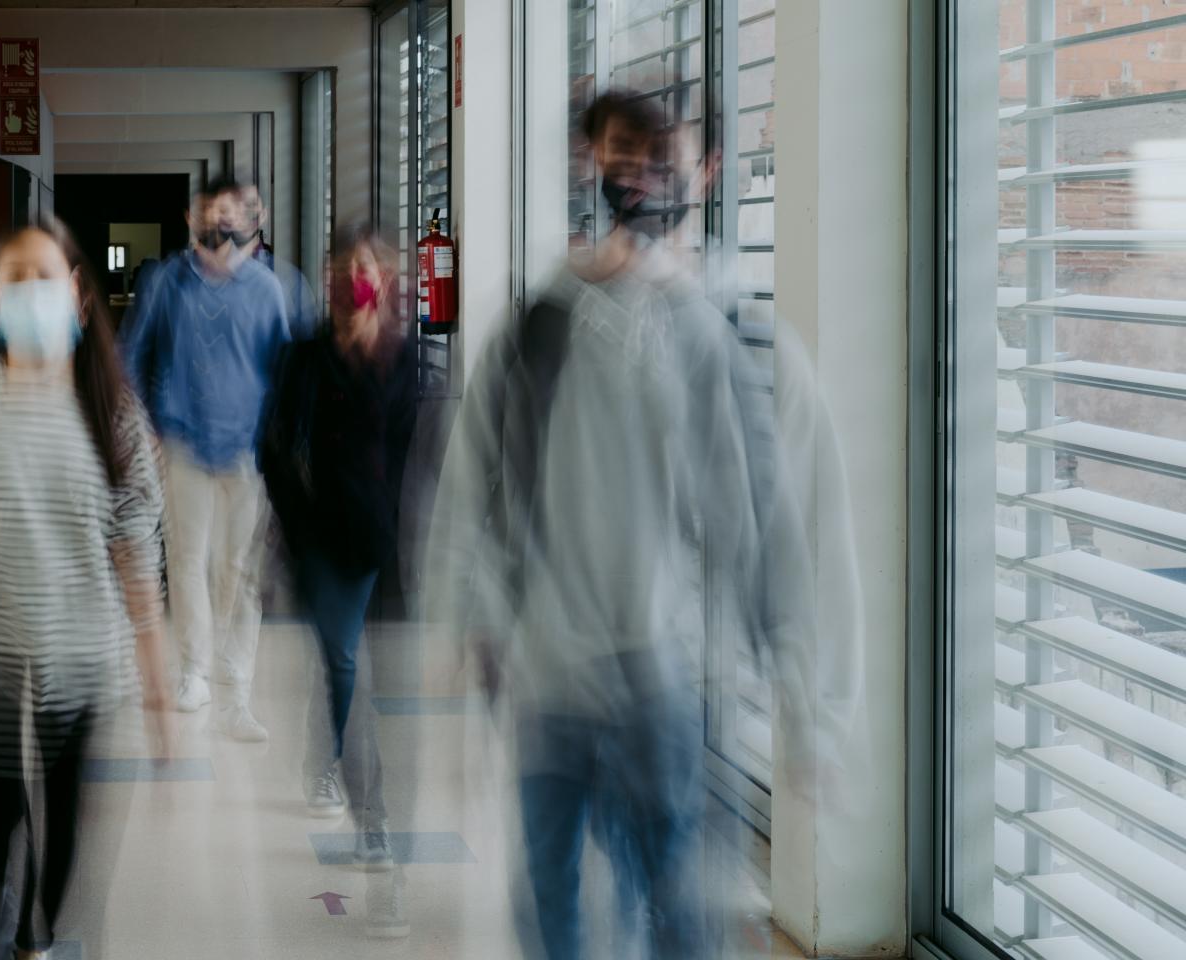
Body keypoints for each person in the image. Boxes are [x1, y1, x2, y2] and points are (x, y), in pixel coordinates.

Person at [423, 90, 813, 960]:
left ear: (692, 173)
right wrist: (465, 625)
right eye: (620, 150)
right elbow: (466, 490)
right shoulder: (532, 330)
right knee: (551, 896)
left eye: (655, 153)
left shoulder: (697, 334)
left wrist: (792, 676)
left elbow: (745, 515)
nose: (636, 172)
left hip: (655, 675)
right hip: (550, 675)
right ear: (588, 161)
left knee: (674, 895)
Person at [0, 222, 173, 953]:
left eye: (46, 277)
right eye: (15, 278)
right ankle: (7, 939)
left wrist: (158, 688)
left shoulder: (110, 410)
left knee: (65, 825)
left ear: (79, 296)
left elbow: (138, 557)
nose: (31, 293)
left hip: (78, 653)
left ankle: (35, 935)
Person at [261, 224, 418, 938]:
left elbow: (415, 461)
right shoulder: (304, 360)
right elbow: (274, 448)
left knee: (375, 692)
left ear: (387, 278)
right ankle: (379, 836)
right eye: (346, 267)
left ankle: (333, 768)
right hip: (323, 548)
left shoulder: (406, 364)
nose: (359, 277)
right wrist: (297, 533)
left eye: (370, 266)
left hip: (386, 554)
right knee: (348, 677)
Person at [123, 177, 293, 741]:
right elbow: (133, 354)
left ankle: (235, 683)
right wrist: (144, 425)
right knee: (188, 559)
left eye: (229, 212)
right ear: (193, 218)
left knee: (240, 572)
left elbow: (286, 371)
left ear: (250, 219)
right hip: (184, 443)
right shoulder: (166, 282)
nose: (219, 222)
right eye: (209, 212)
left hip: (248, 451)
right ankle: (193, 671)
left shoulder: (267, 290)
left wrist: (282, 444)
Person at [237, 186, 322, 337]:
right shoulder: (205, 278)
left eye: (251, 205)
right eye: (236, 205)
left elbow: (306, 343)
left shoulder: (289, 280)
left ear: (263, 214)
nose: (243, 213)